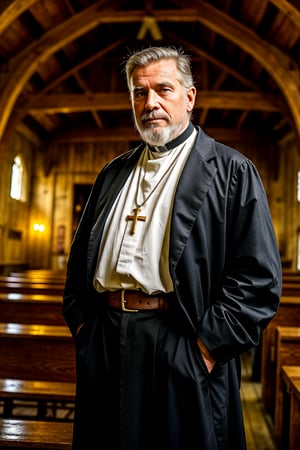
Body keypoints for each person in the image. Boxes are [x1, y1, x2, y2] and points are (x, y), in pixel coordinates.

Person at [62, 46, 282, 450]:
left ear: (190, 96)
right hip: (108, 339)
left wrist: (204, 349)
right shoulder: (113, 172)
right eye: (139, 93)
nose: (151, 103)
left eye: (164, 89)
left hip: (182, 339)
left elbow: (259, 280)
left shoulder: (232, 171)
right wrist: (84, 330)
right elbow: (80, 263)